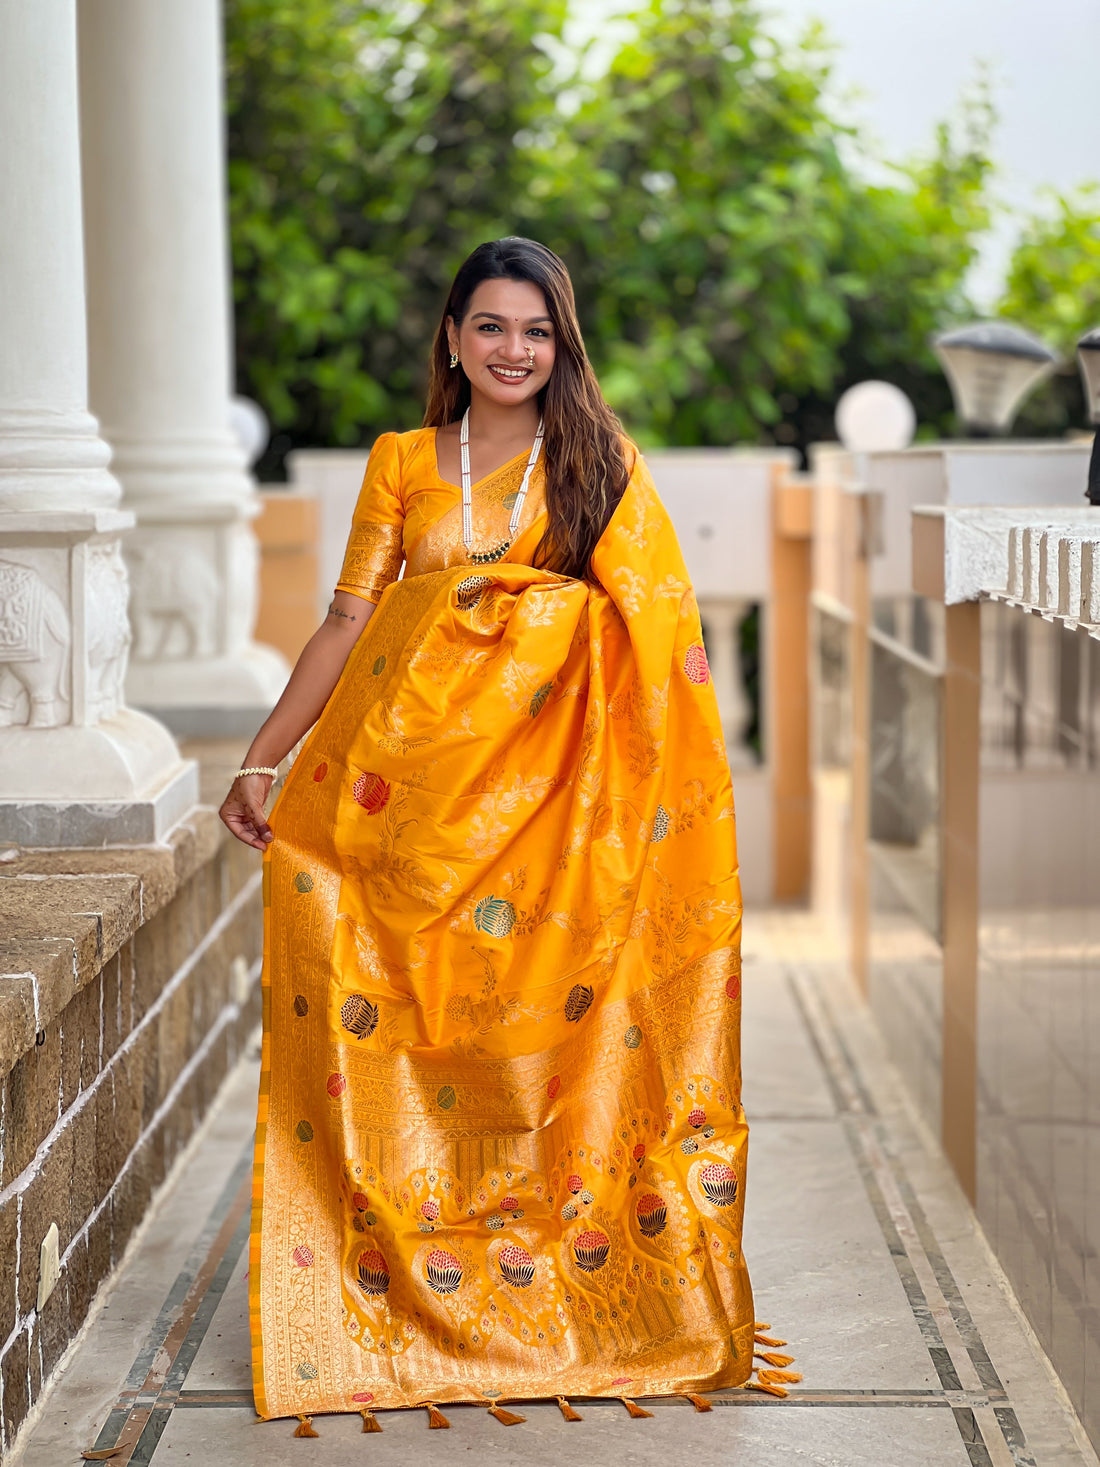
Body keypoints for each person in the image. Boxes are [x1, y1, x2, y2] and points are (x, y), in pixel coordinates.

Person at [221, 237, 793, 1436]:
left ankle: (562, 1292)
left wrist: (542, 622)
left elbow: (657, 638)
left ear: (560, 345)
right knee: (393, 1019)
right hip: (411, 817)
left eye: (535, 331)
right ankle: (401, 1287)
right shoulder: (402, 463)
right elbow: (346, 624)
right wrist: (265, 756)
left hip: (557, 830)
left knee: (546, 1052)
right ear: (452, 337)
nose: (512, 349)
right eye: (489, 325)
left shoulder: (599, 466)